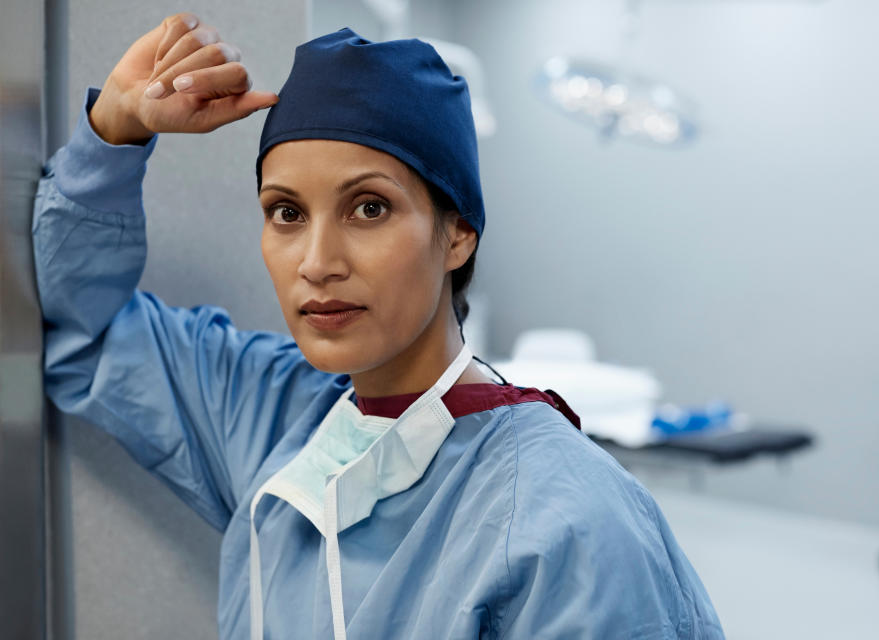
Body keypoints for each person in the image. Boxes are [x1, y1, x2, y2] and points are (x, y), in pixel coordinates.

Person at [32, 12, 725, 640]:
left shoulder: (568, 523)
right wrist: (114, 133)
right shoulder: (270, 417)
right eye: (286, 212)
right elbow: (76, 322)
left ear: (457, 234)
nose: (318, 262)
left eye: (368, 208)